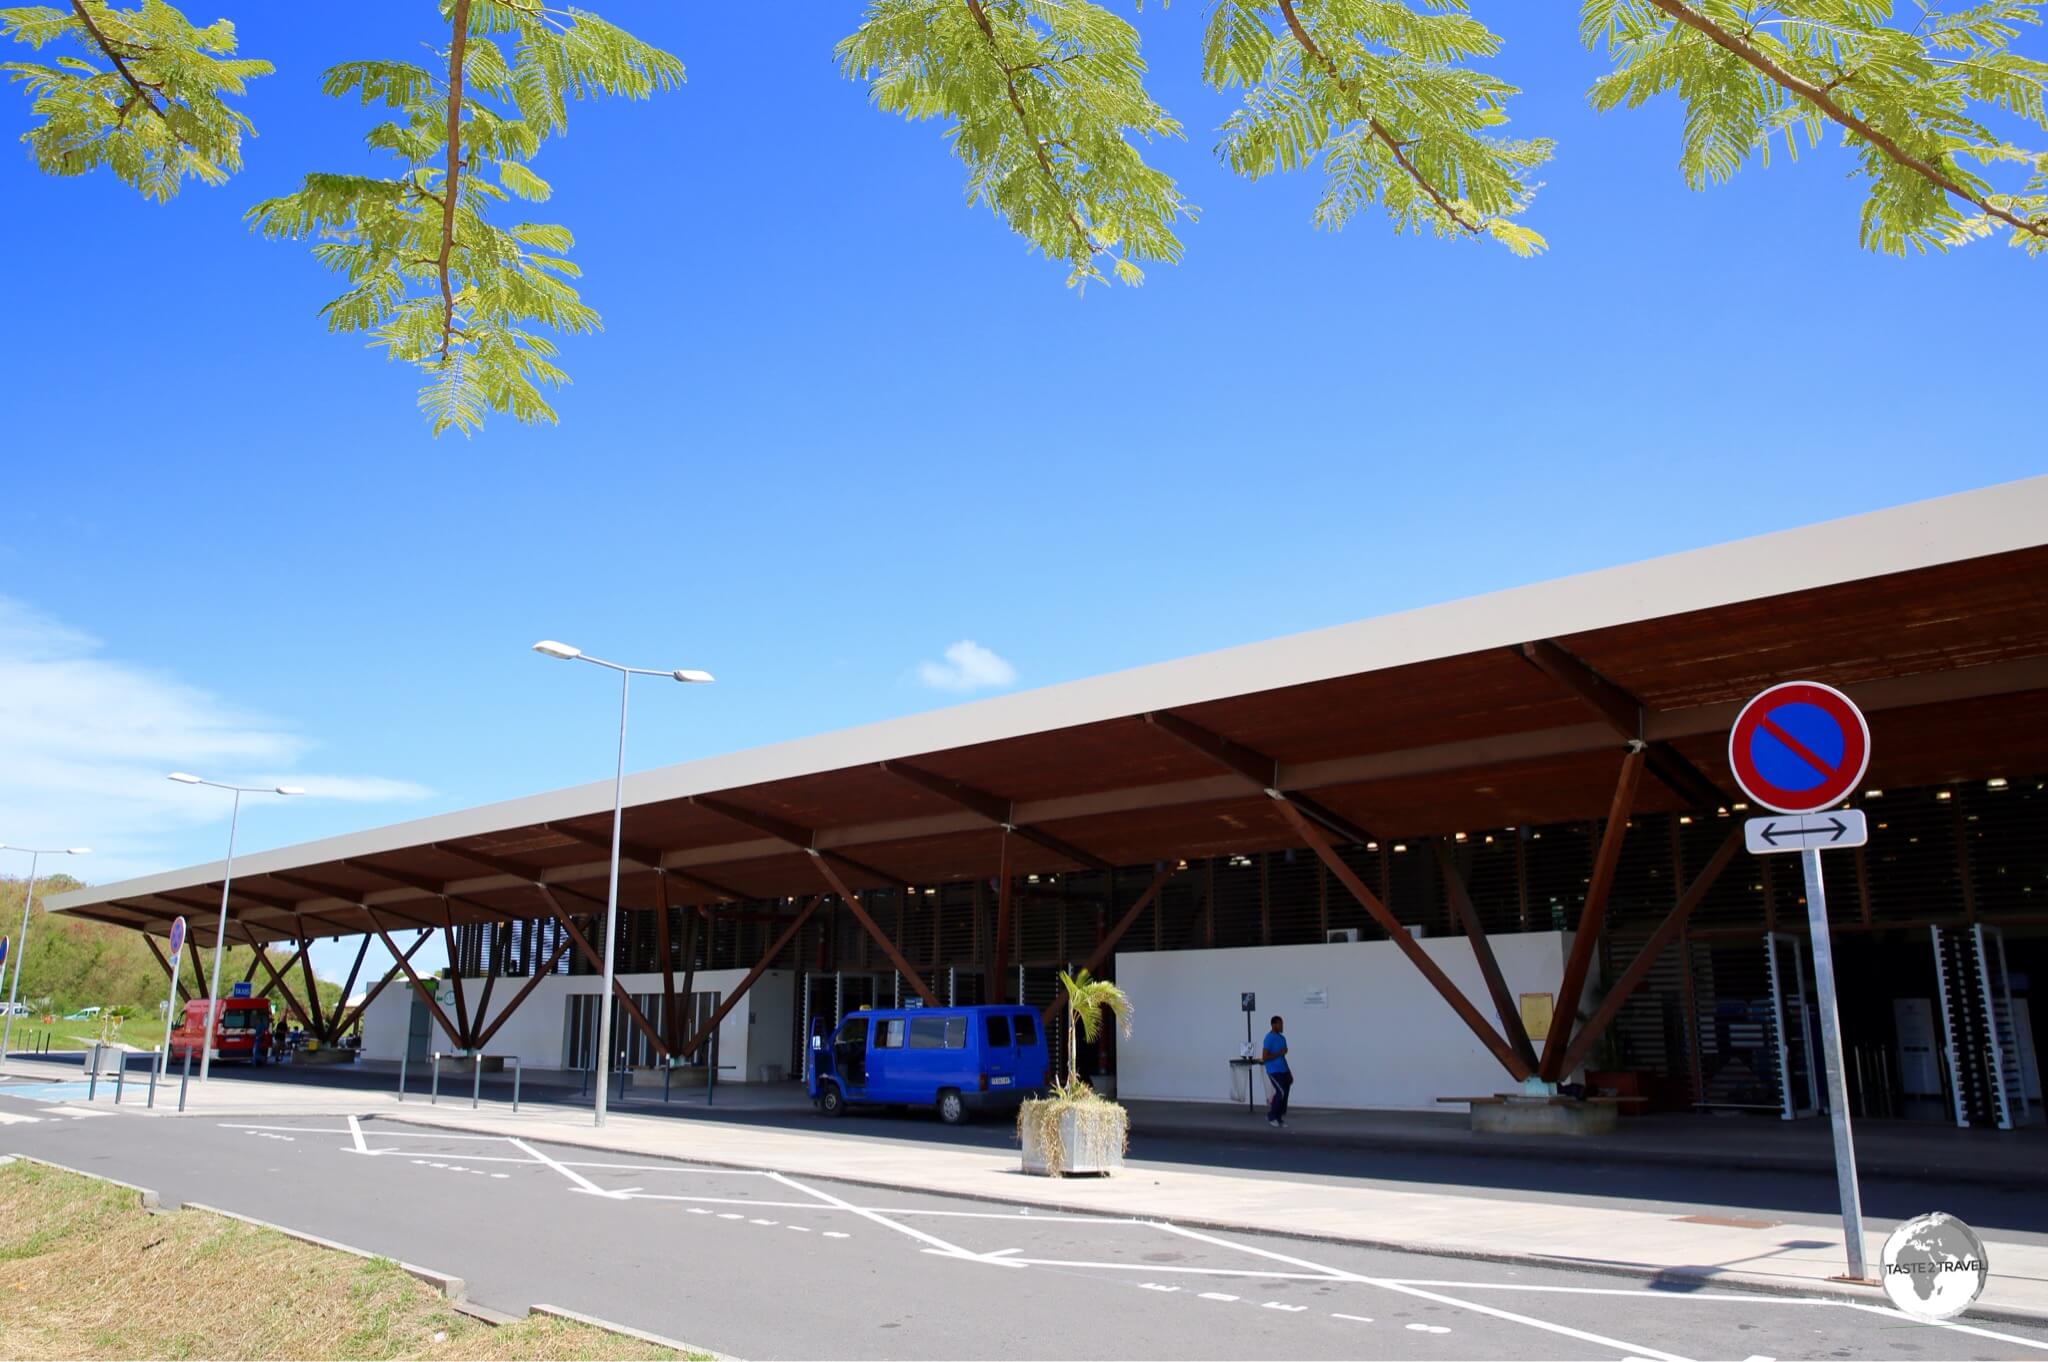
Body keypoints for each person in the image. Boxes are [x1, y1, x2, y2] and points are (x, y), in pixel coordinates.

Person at [1262, 1015, 1292, 1127]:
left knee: (1285, 1092)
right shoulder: (1269, 1038)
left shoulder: (1282, 1038)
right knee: (1281, 1092)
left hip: (1283, 1070)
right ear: (1273, 1025)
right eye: (1280, 1024)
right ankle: (1271, 1116)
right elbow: (1265, 1057)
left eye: (1282, 1023)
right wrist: (1279, 1053)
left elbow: (1283, 1057)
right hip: (1273, 1070)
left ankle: (1278, 1117)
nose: (1282, 1026)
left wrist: (1288, 1072)